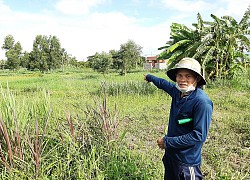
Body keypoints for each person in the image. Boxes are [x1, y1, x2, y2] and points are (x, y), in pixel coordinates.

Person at [144, 58, 213, 180]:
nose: (182, 80)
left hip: (187, 162)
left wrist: (167, 142)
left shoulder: (202, 102)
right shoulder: (177, 92)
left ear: (196, 78)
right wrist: (150, 77)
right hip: (171, 156)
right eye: (179, 75)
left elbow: (199, 136)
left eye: (188, 76)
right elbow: (163, 84)